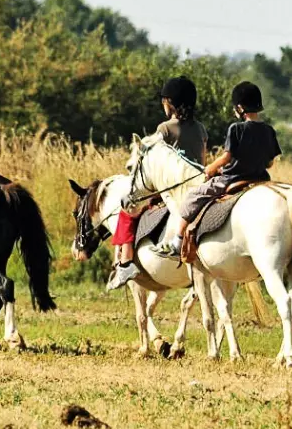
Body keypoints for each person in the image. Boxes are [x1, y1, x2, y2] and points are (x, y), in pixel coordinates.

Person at [152, 81, 280, 259]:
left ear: (240, 107)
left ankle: (178, 241)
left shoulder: (236, 128)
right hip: (261, 177)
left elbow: (227, 157)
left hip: (232, 178)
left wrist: (211, 168)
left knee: (193, 197)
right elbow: (269, 163)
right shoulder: (269, 130)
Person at [106, 75, 208, 290]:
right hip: (198, 185)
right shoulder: (200, 128)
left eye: (164, 101)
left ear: (169, 103)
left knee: (128, 209)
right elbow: (202, 160)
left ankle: (125, 262)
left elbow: (152, 159)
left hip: (170, 188)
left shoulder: (165, 128)